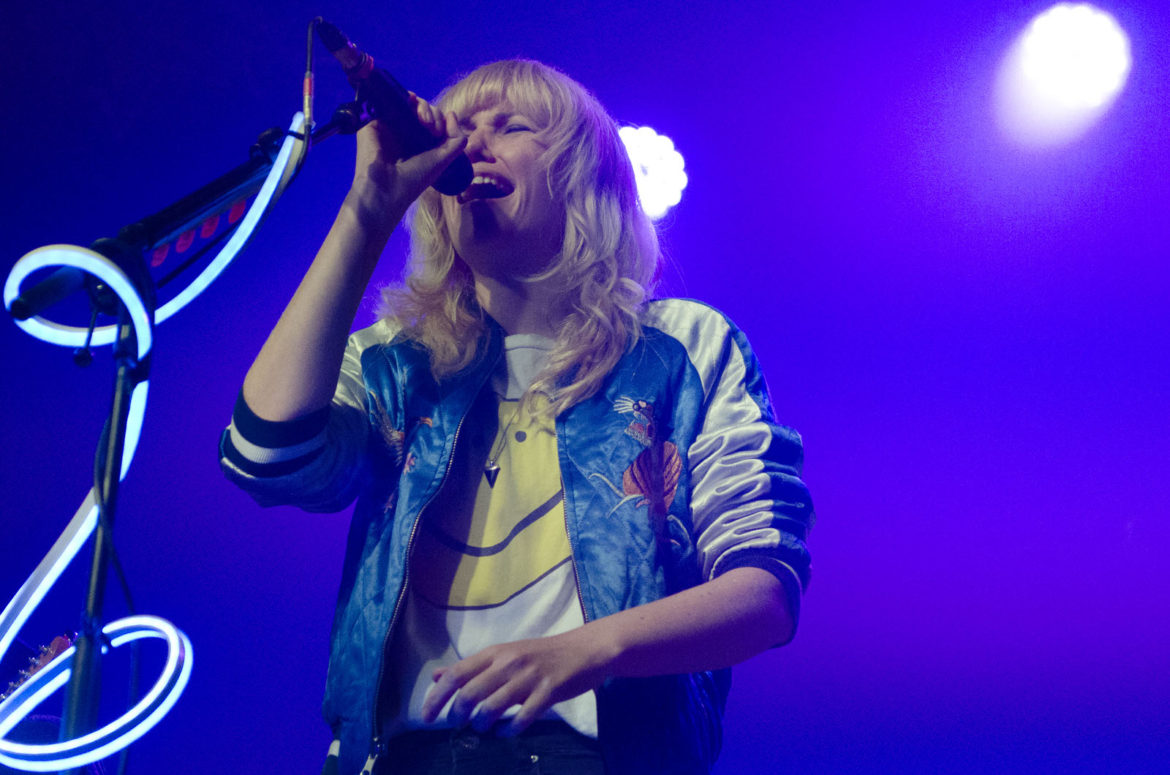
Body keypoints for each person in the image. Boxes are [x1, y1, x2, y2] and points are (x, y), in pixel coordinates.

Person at [220, 59, 813, 775]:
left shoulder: (684, 347)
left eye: (512, 126)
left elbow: (764, 590)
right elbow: (263, 454)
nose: (473, 144)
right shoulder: (397, 362)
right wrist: (367, 213)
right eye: (462, 128)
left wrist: (587, 650)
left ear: (583, 172)